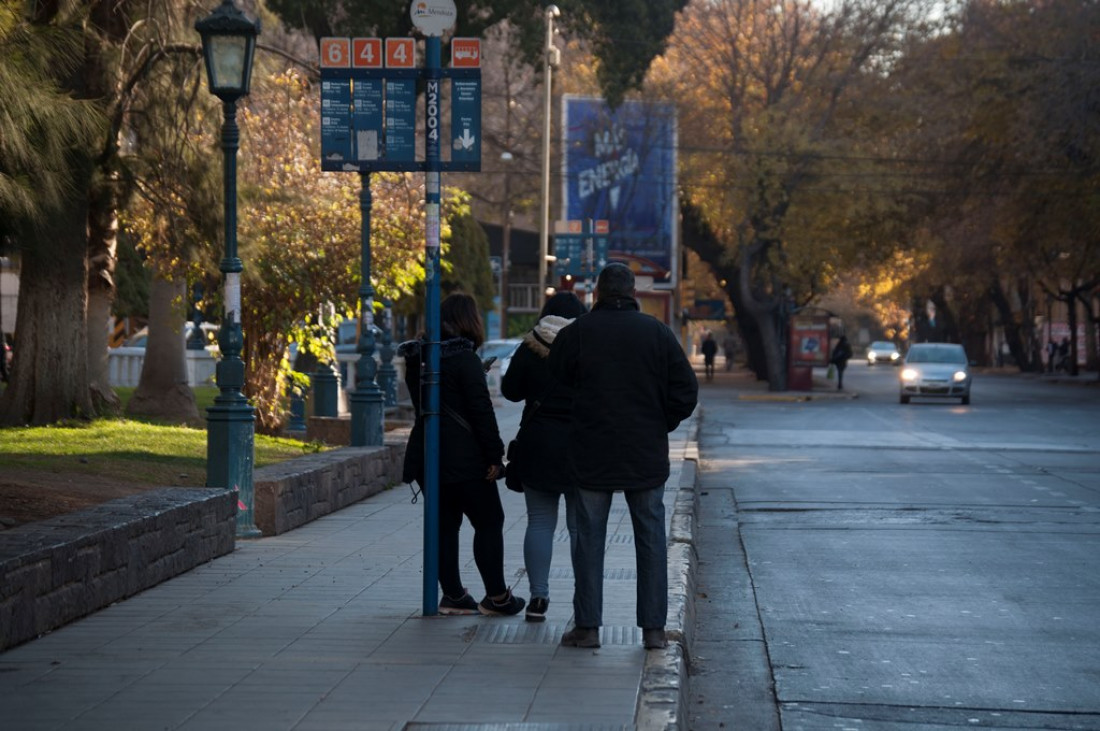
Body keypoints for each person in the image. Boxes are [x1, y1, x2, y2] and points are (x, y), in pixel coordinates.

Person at [548, 263, 699, 650]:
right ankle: (653, 630)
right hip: (644, 455)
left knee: (588, 541)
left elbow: (556, 386)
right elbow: (685, 390)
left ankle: (588, 627)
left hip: (591, 452)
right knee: (650, 540)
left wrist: (581, 417)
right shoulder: (657, 333)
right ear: (634, 293)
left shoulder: (577, 333)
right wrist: (658, 423)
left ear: (596, 293)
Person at [399, 292, 526, 617]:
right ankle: (497, 597)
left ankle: (453, 595)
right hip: (466, 459)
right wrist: (495, 457)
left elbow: (428, 405)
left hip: (428, 454)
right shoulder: (465, 359)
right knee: (489, 520)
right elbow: (480, 412)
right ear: (469, 321)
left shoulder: (419, 358)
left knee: (445, 525)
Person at [500, 292, 587, 623]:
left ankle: (538, 598)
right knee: (580, 527)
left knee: (539, 521)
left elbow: (510, 391)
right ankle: (585, 597)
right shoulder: (586, 345)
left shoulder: (531, 344)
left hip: (538, 445)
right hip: (580, 446)